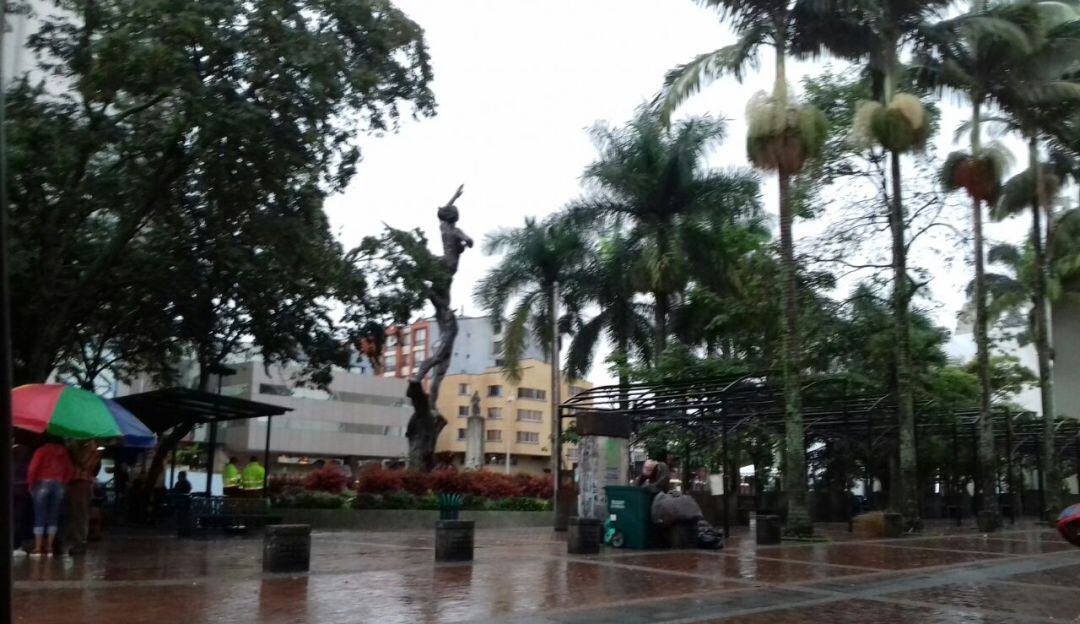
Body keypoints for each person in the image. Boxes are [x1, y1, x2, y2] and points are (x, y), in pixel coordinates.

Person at [27, 437, 75, 557]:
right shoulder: (64, 453)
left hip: (41, 483)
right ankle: (49, 547)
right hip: (58, 485)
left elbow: (33, 468)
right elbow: (70, 470)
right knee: (53, 515)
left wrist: (31, 484)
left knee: (40, 515)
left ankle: (38, 548)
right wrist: (63, 482)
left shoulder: (42, 450)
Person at [66, 440, 101, 555]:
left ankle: (79, 542)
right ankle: (77, 540)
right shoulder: (84, 446)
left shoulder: (91, 447)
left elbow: (84, 462)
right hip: (76, 482)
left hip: (81, 481)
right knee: (76, 513)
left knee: (80, 513)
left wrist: (74, 449)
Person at [12, 443, 33, 554]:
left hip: (12, 487)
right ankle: (17, 544)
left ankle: (14, 543)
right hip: (23, 487)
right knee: (21, 517)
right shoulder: (27, 451)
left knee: (14, 517)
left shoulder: (12, 451)